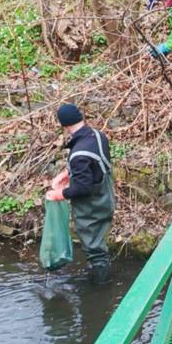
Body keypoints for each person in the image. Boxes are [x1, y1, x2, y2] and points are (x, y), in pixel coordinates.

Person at [46, 104, 115, 284]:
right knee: (97, 243)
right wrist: (67, 174)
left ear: (64, 125)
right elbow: (93, 165)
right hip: (105, 197)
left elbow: (83, 188)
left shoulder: (78, 153)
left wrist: (60, 194)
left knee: (95, 249)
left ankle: (102, 286)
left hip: (92, 206)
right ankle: (99, 272)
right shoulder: (97, 136)